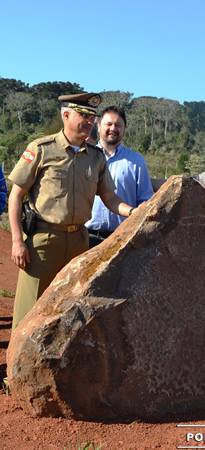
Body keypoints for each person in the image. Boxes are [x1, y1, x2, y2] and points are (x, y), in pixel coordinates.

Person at [8, 93, 137, 329]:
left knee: (70, 309)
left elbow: (109, 197)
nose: (89, 122)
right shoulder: (42, 149)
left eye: (92, 117)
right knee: (29, 310)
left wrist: (134, 212)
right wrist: (17, 240)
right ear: (65, 115)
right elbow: (16, 195)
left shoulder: (95, 158)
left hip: (79, 242)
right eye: (83, 115)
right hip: (43, 242)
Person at [85, 106, 153, 247]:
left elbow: (145, 199)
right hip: (86, 236)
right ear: (98, 126)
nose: (113, 128)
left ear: (124, 129)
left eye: (118, 125)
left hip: (122, 238)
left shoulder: (136, 161)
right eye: (108, 124)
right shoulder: (85, 157)